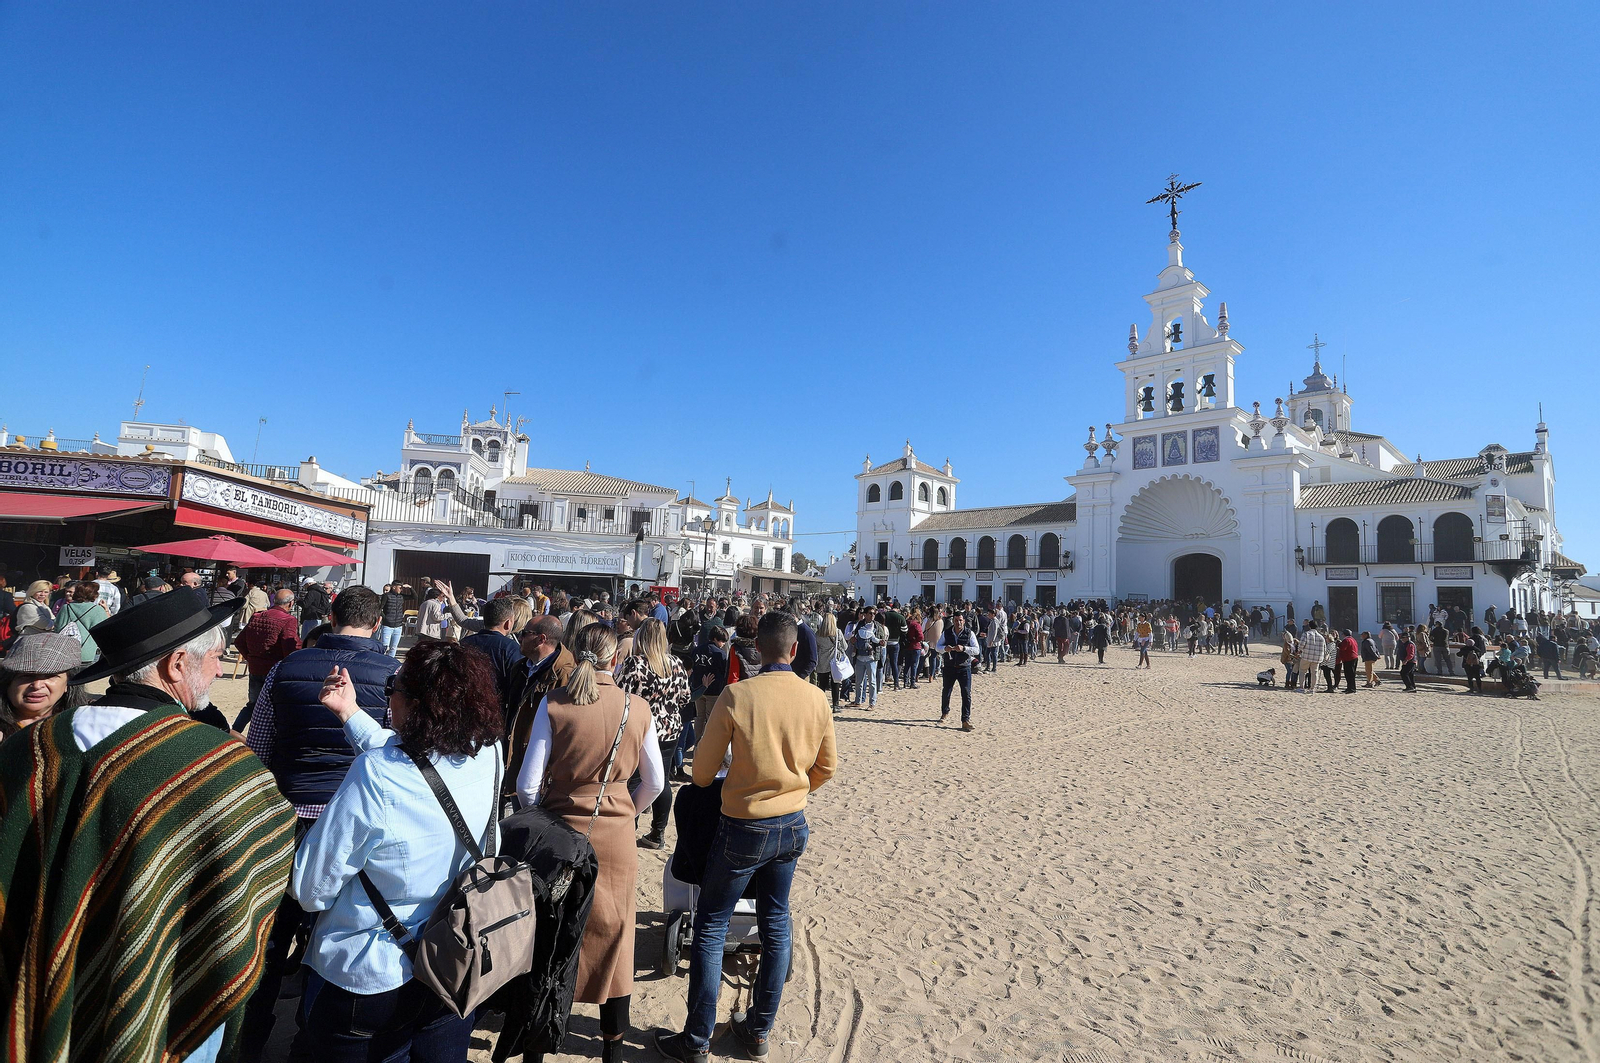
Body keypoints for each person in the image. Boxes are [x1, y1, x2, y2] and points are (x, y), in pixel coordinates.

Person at [0, 590, 294, 1063]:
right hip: (165, 995)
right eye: (217, 658)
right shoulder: (219, 767)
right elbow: (247, 885)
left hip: (28, 987)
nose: (220, 671)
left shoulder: (26, 748)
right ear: (178, 664)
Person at [287, 639, 503, 1061]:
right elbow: (415, 767)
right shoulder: (488, 753)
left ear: (420, 705)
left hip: (371, 974)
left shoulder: (374, 775)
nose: (390, 699)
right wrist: (349, 712)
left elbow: (312, 889)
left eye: (393, 689)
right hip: (453, 958)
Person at [656, 612, 835, 1063]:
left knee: (712, 924)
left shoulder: (738, 695)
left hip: (744, 821)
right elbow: (827, 768)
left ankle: (696, 1039)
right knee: (776, 922)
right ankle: (757, 1032)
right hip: (792, 821)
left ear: (757, 649)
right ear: (794, 651)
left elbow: (699, 773)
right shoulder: (816, 698)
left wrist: (743, 778)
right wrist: (793, 786)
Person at [238, 585, 400, 1055]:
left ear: (330, 616)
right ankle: (311, 1037)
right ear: (376, 625)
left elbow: (260, 747)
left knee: (271, 939)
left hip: (286, 818)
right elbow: (393, 758)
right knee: (340, 936)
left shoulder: (286, 669)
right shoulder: (393, 674)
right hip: (354, 828)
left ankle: (250, 1040)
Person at [517, 622, 663, 1063]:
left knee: (550, 933)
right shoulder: (636, 707)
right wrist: (625, 812)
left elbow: (527, 786)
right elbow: (654, 783)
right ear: (614, 660)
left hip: (559, 833)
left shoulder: (554, 703)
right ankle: (612, 1048)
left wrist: (548, 810)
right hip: (616, 833)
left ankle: (537, 1044)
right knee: (615, 936)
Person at [615, 618, 691, 850]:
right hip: (670, 729)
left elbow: (621, 694)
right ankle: (657, 833)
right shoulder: (676, 663)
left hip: (641, 729)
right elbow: (686, 697)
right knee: (661, 779)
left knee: (635, 780)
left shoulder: (635, 664)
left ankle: (629, 829)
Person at [504, 614, 577, 798]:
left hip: (542, 773)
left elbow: (566, 728)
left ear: (541, 639)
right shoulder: (520, 668)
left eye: (524, 633)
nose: (519, 638)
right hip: (516, 761)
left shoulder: (564, 675)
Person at [233, 588, 301, 729]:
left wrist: (251, 658)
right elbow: (289, 647)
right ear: (291, 603)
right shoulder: (288, 620)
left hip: (256, 668)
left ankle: (234, 732)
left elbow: (239, 641)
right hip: (275, 670)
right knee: (276, 707)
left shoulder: (257, 616)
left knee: (253, 705)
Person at [0, 631, 91, 737]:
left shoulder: (83, 726)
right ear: (8, 682)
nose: (37, 685)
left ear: (68, 683)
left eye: (50, 676)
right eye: (26, 676)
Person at [461, 596, 527, 724]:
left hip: (463, 712)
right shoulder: (512, 649)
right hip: (496, 716)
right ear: (508, 623)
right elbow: (518, 687)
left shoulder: (463, 644)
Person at [937, 612, 981, 732]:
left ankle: (965, 720)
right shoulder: (947, 633)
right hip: (949, 666)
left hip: (964, 667)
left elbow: (976, 650)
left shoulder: (969, 633)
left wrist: (964, 649)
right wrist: (944, 649)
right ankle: (944, 712)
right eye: (956, 620)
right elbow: (938, 646)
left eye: (960, 620)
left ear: (964, 621)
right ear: (953, 621)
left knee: (966, 694)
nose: (958, 622)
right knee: (946, 691)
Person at [688, 624, 730, 738]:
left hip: (697, 687)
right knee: (710, 717)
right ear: (716, 639)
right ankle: (707, 743)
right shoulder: (720, 654)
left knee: (699, 716)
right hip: (714, 689)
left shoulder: (697, 650)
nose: (723, 644)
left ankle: (697, 743)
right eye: (722, 641)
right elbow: (724, 671)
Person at [53, 580, 109, 665]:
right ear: (94, 595)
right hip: (89, 653)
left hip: (67, 653)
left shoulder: (66, 608)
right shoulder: (98, 610)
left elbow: (58, 628)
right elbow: (104, 632)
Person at [847, 606, 881, 708]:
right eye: (870, 613)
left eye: (874, 613)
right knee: (859, 681)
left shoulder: (877, 626)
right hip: (860, 656)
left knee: (872, 682)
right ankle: (858, 701)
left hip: (871, 657)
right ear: (865, 614)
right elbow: (855, 636)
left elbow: (880, 639)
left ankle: (872, 703)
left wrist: (880, 643)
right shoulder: (859, 625)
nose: (872, 615)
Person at [1298, 621, 1330, 694]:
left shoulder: (1306, 634)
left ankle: (1301, 688)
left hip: (1306, 656)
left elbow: (1301, 645)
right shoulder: (1321, 637)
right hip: (1317, 658)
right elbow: (1324, 648)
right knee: (1314, 673)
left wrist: (1300, 650)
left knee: (1302, 671)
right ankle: (1312, 688)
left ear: (1309, 626)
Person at [379, 582, 408, 656]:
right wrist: (385, 618)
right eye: (400, 587)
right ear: (394, 587)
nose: (401, 589)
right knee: (385, 647)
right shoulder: (386, 596)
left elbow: (414, 597)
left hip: (398, 626)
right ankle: (382, 662)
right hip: (387, 626)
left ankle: (391, 663)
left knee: (394, 647)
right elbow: (379, 608)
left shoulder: (401, 596)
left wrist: (410, 588)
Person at [1336, 629, 1360, 693]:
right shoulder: (1353, 639)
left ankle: (1351, 688)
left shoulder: (1346, 640)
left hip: (1348, 658)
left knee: (1349, 674)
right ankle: (1350, 687)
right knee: (1351, 674)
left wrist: (1339, 644)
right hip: (1353, 657)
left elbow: (1343, 648)